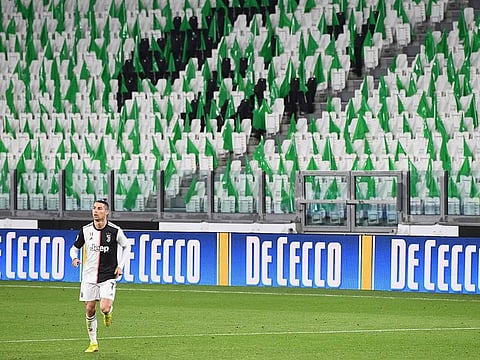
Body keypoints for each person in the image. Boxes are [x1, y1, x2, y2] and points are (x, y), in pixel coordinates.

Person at [69, 199, 131, 353]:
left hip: (108, 276)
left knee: (104, 307)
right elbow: (74, 248)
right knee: (90, 309)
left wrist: (120, 266)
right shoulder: (85, 230)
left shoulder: (114, 230)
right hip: (89, 277)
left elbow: (127, 246)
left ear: (106, 212)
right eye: (94, 208)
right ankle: (93, 343)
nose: (95, 211)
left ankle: (108, 313)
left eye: (99, 209)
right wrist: (74, 258)